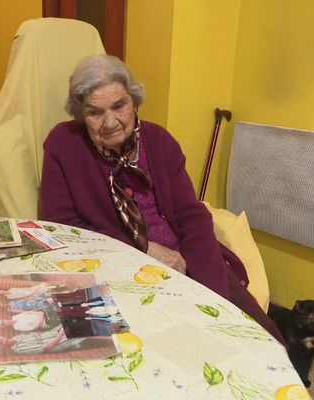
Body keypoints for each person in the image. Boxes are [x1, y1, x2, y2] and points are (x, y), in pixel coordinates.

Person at [40, 54, 284, 344]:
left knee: (257, 337)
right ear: (80, 113)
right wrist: (141, 247)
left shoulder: (159, 141)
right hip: (113, 264)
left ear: (134, 101)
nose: (110, 122)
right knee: (144, 347)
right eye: (94, 112)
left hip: (187, 257)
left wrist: (213, 296)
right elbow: (62, 228)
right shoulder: (63, 144)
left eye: (119, 106)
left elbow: (192, 218)